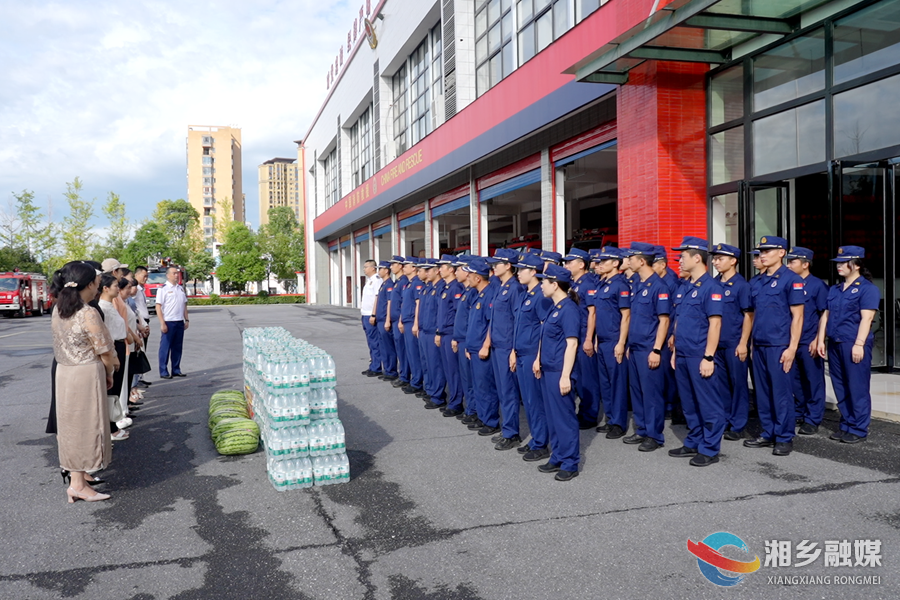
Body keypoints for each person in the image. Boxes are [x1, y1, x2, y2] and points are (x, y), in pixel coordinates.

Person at [51, 261, 117, 503]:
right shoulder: (87, 312)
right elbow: (105, 351)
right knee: (88, 427)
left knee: (70, 428)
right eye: (97, 284)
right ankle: (78, 484)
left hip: (64, 372)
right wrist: (109, 372)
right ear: (89, 285)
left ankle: (76, 481)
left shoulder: (58, 309)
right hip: (86, 374)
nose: (98, 288)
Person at [668, 237, 726, 467]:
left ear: (697, 258)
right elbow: (680, 321)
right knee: (689, 402)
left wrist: (709, 356)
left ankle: (710, 448)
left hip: (699, 354)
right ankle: (694, 439)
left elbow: (715, 324)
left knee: (708, 403)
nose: (680, 260)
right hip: (683, 353)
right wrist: (675, 351)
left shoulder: (711, 287)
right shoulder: (686, 286)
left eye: (683, 256)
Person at [744, 236, 805, 457]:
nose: (762, 254)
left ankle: (784, 436)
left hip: (780, 345)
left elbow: (797, 317)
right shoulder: (757, 282)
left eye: (768, 250)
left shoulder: (791, 279)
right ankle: (768, 431)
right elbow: (752, 316)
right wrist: (750, 343)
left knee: (781, 393)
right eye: (761, 251)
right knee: (762, 392)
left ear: (782, 253)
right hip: (759, 345)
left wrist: (792, 348)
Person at [816, 246, 880, 444]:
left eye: (844, 263)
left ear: (857, 265)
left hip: (853, 343)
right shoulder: (835, 289)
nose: (840, 266)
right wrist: (820, 339)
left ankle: (859, 428)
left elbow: (866, 319)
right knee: (840, 385)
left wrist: (859, 344)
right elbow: (826, 315)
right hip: (835, 343)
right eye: (838, 263)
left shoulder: (868, 289)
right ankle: (846, 423)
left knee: (857, 386)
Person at [534, 263, 581, 481]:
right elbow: (545, 336)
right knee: (553, 417)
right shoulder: (555, 307)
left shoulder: (569, 309)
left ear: (555, 284)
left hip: (559, 371)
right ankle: (558, 455)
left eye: (545, 281)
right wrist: (538, 359)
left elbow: (572, 344)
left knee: (564, 418)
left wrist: (565, 376)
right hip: (547, 368)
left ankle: (570, 462)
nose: (541, 285)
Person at [623, 242, 671, 452]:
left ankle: (654, 435)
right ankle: (642, 429)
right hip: (635, 347)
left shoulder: (659, 286)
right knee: (637, 392)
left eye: (631, 258)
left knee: (651, 394)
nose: (628, 262)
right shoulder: (638, 284)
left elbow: (664, 320)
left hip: (648, 348)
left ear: (641, 261)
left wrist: (657, 349)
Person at [511, 253, 553, 461]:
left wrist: (538, 357)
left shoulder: (540, 297)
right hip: (520, 353)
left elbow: (545, 330)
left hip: (531, 355)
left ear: (533, 272)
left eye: (522, 270)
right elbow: (519, 326)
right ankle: (536, 437)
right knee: (528, 400)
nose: (518, 273)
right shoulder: (524, 294)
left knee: (535, 401)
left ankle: (541, 443)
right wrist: (512, 350)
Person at [710, 244, 753, 440]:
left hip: (734, 342)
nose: (715, 262)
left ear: (733, 260)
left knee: (738, 385)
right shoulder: (713, 283)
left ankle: (738, 424)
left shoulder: (741, 285)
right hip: (717, 344)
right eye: (715, 258)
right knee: (721, 385)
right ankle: (725, 419)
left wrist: (743, 342)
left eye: (720, 258)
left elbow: (748, 315)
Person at [785, 247, 828, 435]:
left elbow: (824, 314)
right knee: (794, 380)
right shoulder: (788, 283)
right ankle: (799, 411)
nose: (788, 265)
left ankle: (813, 417)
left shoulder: (817, 285)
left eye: (792, 262)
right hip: (791, 341)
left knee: (813, 381)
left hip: (809, 340)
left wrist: (818, 339)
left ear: (805, 264)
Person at [486, 248, 525, 449]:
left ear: (508, 265)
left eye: (498, 263)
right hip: (497, 345)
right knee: (502, 390)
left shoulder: (515, 288)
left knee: (508, 391)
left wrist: (513, 350)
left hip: (506, 346)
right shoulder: (502, 286)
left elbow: (518, 320)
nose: (494, 266)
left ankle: (511, 433)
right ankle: (506, 427)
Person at [591, 247, 631, 439]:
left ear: (616, 263)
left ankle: (618, 423)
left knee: (617, 383)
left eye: (605, 261)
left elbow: (626, 315)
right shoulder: (602, 284)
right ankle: (610, 418)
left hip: (615, 339)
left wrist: (622, 342)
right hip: (603, 340)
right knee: (605, 383)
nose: (600, 264)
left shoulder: (620, 285)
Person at [563, 248, 601, 430]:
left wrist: (588, 339)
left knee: (587, 379)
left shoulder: (587, 284)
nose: (567, 265)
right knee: (577, 377)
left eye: (570, 262)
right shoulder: (573, 283)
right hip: (575, 335)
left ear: (581, 264)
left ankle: (590, 414)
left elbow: (592, 313)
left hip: (584, 334)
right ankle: (582, 411)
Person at [463, 258, 501, 436]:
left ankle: (491, 421)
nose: (467, 277)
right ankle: (482, 415)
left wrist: (486, 345)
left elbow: (491, 324)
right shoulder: (478, 294)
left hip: (481, 348)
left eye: (469, 274)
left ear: (478, 278)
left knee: (486, 386)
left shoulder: (488, 295)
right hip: (473, 346)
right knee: (478, 385)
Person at [653, 245, 683, 425]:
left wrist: (672, 333)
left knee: (669, 373)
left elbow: (673, 312)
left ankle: (672, 406)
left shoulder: (671, 282)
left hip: (669, 331)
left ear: (662, 264)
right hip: (660, 332)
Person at [435, 254, 465, 416]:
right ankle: (453, 399)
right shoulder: (446, 287)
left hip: (451, 333)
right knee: (448, 369)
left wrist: (455, 336)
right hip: (443, 333)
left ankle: (456, 402)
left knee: (454, 371)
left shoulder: (455, 288)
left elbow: (457, 315)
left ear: (451, 269)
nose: (439, 270)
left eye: (442, 267)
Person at [416, 259, 447, 408]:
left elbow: (440, 313)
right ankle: (431, 390)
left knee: (436, 365)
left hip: (433, 331)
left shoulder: (441, 288)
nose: (426, 272)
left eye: (429, 270)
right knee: (427, 363)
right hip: (424, 330)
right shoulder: (428, 287)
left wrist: (437, 331)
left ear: (437, 271)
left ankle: (438, 395)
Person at [452, 256, 478, 423]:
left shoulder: (473, 293)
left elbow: (472, 322)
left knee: (473, 379)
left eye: (459, 269)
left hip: (469, 342)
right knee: (466, 378)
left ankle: (474, 410)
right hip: (462, 339)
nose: (457, 272)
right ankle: (471, 408)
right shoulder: (466, 291)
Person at [156, 265, 189, 379]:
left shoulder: (180, 288)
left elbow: (184, 305)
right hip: (168, 321)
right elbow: (158, 307)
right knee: (165, 347)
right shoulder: (163, 289)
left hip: (179, 321)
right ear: (168, 275)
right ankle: (163, 371)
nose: (176, 275)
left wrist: (187, 319)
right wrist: (162, 323)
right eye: (174, 273)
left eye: (177, 273)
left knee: (177, 347)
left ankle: (176, 369)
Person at [400, 257, 425, 395]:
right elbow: (404, 304)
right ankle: (414, 379)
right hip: (406, 320)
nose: (404, 268)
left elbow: (417, 304)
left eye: (406, 266)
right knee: (410, 353)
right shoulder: (409, 284)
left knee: (415, 354)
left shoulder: (417, 283)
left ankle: (417, 382)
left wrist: (415, 323)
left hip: (412, 321)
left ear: (413, 268)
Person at [374, 261, 399, 381]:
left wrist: (388, 320)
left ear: (386, 271)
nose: (379, 271)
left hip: (384, 319)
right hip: (380, 319)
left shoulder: (389, 284)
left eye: (381, 269)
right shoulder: (383, 284)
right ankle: (387, 369)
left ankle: (391, 371)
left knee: (389, 347)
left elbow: (389, 303)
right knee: (383, 346)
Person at [387, 256, 409, 388]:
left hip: (400, 321)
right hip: (395, 320)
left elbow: (404, 303)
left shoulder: (404, 281)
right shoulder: (398, 281)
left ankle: (405, 375)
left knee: (403, 349)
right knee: (400, 349)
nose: (391, 267)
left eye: (393, 264)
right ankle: (403, 374)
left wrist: (400, 319)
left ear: (400, 266)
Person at [359, 259, 382, 377]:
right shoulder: (369, 281)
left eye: (366, 267)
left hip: (370, 315)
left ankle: (376, 366)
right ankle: (373, 364)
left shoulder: (377, 280)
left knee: (374, 342)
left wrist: (373, 314)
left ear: (373, 268)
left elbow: (377, 298)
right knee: (370, 341)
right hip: (365, 314)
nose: (364, 269)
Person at [132, 266, 152, 387]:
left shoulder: (141, 289)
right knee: (139, 349)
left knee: (143, 349)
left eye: (146, 276)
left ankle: (140, 376)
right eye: (143, 275)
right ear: (136, 275)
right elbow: (135, 310)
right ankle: (136, 379)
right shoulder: (135, 290)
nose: (146, 278)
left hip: (144, 322)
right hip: (139, 323)